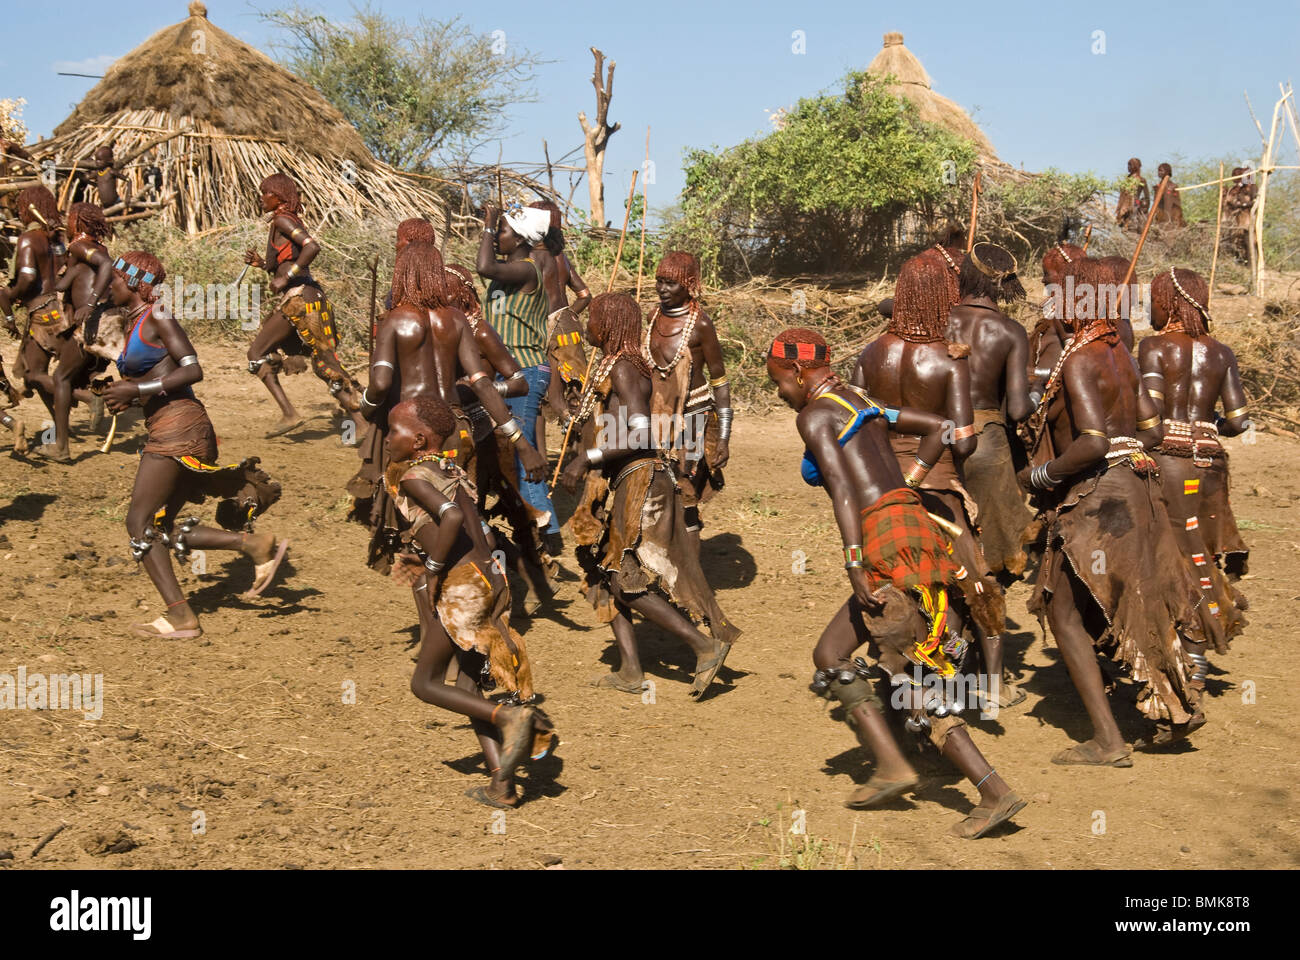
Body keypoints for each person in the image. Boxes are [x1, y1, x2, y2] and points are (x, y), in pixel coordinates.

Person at [767, 327, 1026, 837]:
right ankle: (894, 762)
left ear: (799, 372)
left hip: (883, 543)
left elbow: (842, 489)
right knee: (841, 654)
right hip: (914, 525)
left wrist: (853, 563)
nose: (779, 392)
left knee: (906, 670)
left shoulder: (815, 414)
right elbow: (939, 427)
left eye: (779, 380)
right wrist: (911, 481)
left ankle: (991, 789)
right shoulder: (857, 398)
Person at [1021, 257, 1204, 761]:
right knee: (1132, 598)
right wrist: (1128, 451)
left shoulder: (1082, 358)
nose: (1054, 304)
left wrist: (1039, 475)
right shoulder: (1118, 351)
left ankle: (1109, 739)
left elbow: (1094, 442)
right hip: (1135, 488)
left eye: (1062, 295)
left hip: (1096, 499)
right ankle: (1174, 702)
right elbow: (1151, 429)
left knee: (1064, 613)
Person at [99, 251, 287, 639]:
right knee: (162, 526)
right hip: (177, 426)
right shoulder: (136, 321)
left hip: (179, 429)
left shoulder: (159, 316)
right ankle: (253, 545)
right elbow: (160, 374)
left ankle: (181, 617)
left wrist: (137, 388)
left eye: (116, 279)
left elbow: (192, 368)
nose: (110, 285)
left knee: (138, 523)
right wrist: (129, 396)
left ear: (134, 283)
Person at [852, 247, 1012, 706]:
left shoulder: (870, 353)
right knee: (967, 588)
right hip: (938, 491)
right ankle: (950, 693)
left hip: (881, 492)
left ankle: (900, 687)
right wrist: (924, 468)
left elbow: (859, 426)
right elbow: (963, 441)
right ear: (944, 299)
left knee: (891, 585)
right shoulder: (948, 360)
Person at [560, 293, 739, 699]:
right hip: (625, 479)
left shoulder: (624, 368)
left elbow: (641, 434)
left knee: (626, 578)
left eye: (593, 320)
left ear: (606, 325)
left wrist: (585, 458)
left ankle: (704, 646)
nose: (588, 326)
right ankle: (630, 668)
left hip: (642, 479)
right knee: (606, 572)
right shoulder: (614, 364)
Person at [387, 394, 556, 809]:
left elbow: (453, 518)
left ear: (419, 438)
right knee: (467, 685)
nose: (388, 438)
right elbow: (483, 529)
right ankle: (502, 783)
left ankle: (511, 718)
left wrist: (431, 568)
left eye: (394, 431)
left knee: (425, 683)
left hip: (465, 586)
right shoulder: (452, 470)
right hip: (495, 578)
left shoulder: (412, 476)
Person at [361, 240, 547, 571]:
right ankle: (503, 571)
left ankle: (446, 587)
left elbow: (380, 385)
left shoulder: (394, 321)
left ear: (403, 273)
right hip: (457, 430)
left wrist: (365, 406)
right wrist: (521, 443)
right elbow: (482, 384)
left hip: (416, 435)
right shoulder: (457, 320)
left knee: (426, 524)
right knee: (464, 512)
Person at [1139, 267, 1250, 658]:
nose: (1149, 308)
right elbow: (1238, 421)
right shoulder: (1222, 352)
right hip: (1211, 465)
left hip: (1169, 463)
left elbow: (1150, 411)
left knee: (1176, 556)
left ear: (1169, 302)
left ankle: (1194, 645)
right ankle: (1203, 643)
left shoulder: (1153, 347)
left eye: (1154, 299)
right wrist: (1207, 426)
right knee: (1200, 551)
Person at [243, 173, 362, 436]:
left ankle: (289, 414)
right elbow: (282, 263)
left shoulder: (283, 220)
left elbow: (312, 247)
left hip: (299, 299)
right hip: (310, 298)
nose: (261, 198)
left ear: (279, 196)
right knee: (325, 365)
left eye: (266, 193)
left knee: (257, 353)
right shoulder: (283, 222)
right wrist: (262, 265)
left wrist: (286, 276)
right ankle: (363, 423)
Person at [944, 243, 1034, 578]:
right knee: (994, 558)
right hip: (988, 444)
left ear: (965, 275)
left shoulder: (940, 317)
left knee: (944, 540)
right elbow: (1019, 408)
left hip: (938, 437)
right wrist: (1038, 394)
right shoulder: (1011, 331)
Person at [477, 201, 562, 554]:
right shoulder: (507, 274)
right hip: (505, 371)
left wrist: (486, 224)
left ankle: (549, 534)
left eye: (503, 231)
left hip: (524, 371)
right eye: (497, 231)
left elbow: (483, 265)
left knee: (521, 451)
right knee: (507, 450)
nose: (498, 236)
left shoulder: (526, 271)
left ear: (522, 238)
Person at [643, 251, 732, 546]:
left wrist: (723, 438)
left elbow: (719, 381)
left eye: (671, 284)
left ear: (690, 284)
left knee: (685, 488)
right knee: (653, 484)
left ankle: (690, 569)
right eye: (659, 282)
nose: (662, 289)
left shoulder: (701, 326)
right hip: (656, 414)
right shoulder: (653, 316)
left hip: (693, 416)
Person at [30, 202, 114, 461]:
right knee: (64, 377)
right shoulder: (85, 248)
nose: (67, 221)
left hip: (90, 323)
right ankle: (92, 400)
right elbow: (62, 281)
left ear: (78, 221)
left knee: (61, 379)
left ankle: (62, 448)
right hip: (100, 323)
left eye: (70, 218)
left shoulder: (81, 247)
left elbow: (107, 266)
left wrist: (89, 304)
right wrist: (55, 245)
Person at [0, 186, 64, 454]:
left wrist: (9, 296)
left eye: (21, 205)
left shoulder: (29, 238)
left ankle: (84, 399)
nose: (18, 210)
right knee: (32, 373)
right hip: (62, 309)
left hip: (42, 314)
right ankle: (60, 434)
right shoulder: (56, 238)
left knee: (35, 375)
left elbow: (26, 279)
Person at [529, 199, 591, 457]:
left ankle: (541, 460)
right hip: (569, 330)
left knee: (540, 397)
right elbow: (585, 295)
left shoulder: (531, 258)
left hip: (543, 330)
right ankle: (581, 454)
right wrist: (566, 316)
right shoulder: (561, 258)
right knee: (577, 392)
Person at [1223, 168, 1256, 263]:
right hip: (1236, 218)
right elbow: (1230, 203)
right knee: (1236, 239)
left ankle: (1250, 262)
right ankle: (1239, 260)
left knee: (1248, 239)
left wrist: (1243, 205)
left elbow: (1254, 202)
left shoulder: (1252, 187)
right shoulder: (1236, 189)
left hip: (1247, 217)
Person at [1115, 158, 1149, 231]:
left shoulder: (1141, 180)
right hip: (1123, 207)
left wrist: (1142, 205)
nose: (1128, 167)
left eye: (1130, 165)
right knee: (1123, 228)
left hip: (1135, 207)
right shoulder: (1126, 180)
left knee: (1133, 227)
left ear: (1136, 166)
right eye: (1128, 165)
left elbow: (1147, 196)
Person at [1153, 163, 1186, 227]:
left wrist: (1167, 220)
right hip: (1159, 216)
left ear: (1167, 172)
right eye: (1158, 170)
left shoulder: (1172, 186)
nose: (1159, 172)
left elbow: (1173, 204)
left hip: (1171, 216)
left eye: (1161, 170)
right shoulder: (1158, 187)